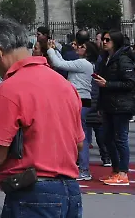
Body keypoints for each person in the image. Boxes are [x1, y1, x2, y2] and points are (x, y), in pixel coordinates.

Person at [0, 18, 83, 218]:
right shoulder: (64, 85)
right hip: (70, 189)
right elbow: (78, 145)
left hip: (32, 192)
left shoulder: (10, 89)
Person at [42, 35, 97, 181]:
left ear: (88, 52)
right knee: (76, 134)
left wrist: (49, 50)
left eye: (82, 47)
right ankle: (79, 165)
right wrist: (54, 50)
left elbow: (59, 64)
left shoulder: (83, 63)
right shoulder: (82, 63)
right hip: (80, 100)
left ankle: (84, 169)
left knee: (80, 135)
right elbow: (63, 62)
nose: (78, 47)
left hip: (80, 100)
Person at [94, 30, 135, 186]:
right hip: (109, 104)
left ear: (116, 42)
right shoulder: (107, 59)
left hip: (121, 105)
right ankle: (115, 169)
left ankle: (123, 172)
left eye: (108, 40)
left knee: (120, 139)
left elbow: (131, 83)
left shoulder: (123, 59)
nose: (104, 42)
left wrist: (108, 84)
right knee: (108, 138)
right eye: (103, 39)